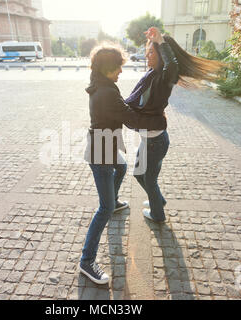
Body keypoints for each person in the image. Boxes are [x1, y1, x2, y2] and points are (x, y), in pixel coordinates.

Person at [80, 44, 167, 285]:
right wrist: (157, 120)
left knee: (123, 167)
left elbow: (125, 110)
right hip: (101, 154)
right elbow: (130, 118)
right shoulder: (107, 92)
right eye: (118, 67)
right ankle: (86, 261)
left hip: (104, 145)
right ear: (108, 68)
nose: (121, 71)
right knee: (104, 210)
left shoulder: (100, 82)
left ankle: (115, 200)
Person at [125, 27, 223, 223]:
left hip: (155, 141)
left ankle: (158, 215)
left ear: (161, 54)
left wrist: (161, 41)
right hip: (150, 138)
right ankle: (157, 201)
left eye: (151, 51)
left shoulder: (164, 77)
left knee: (149, 179)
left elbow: (173, 67)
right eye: (148, 51)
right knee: (139, 175)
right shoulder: (152, 75)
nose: (147, 55)